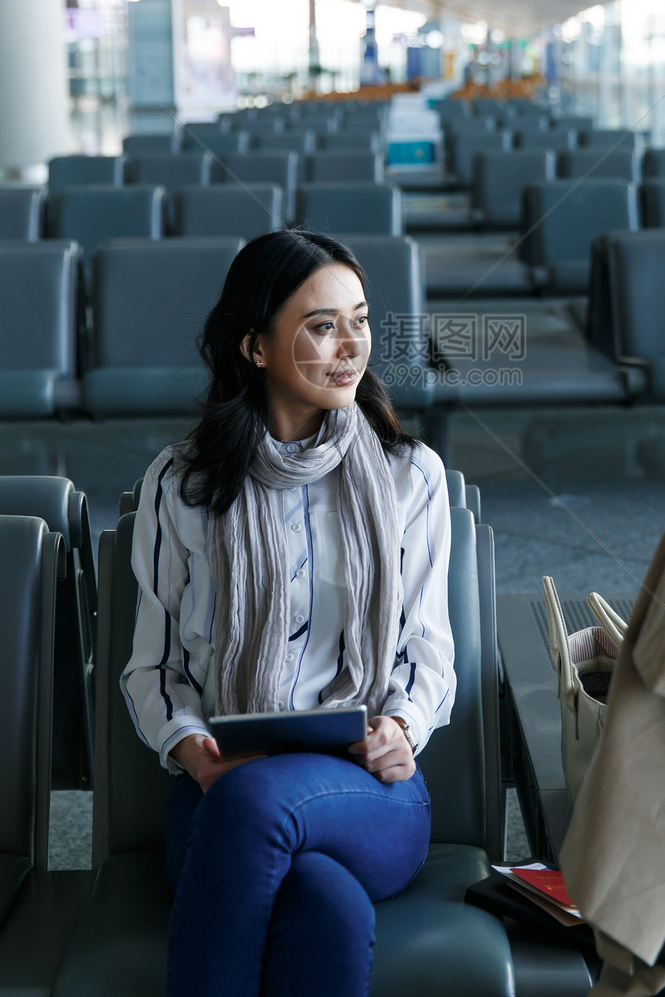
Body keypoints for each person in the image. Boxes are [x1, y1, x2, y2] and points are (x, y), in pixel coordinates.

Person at [122, 229, 456, 997]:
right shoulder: (183, 485)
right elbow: (152, 668)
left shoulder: (411, 477)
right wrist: (197, 753)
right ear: (256, 347)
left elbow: (427, 653)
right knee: (327, 908)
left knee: (255, 804)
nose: (350, 346)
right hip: (216, 791)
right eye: (320, 325)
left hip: (373, 794)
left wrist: (403, 730)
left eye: (361, 319)